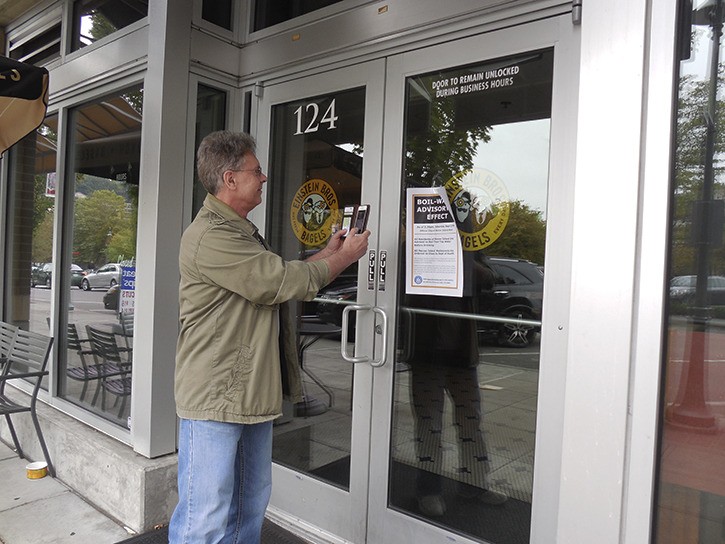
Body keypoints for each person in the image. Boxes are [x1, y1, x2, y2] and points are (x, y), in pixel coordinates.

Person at [168, 130, 370, 544]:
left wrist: (329, 253)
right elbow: (275, 282)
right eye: (256, 171)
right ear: (230, 179)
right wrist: (346, 258)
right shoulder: (211, 235)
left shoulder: (239, 230)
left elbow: (273, 271)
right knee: (204, 514)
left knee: (249, 502)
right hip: (216, 397)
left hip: (248, 394)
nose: (264, 178)